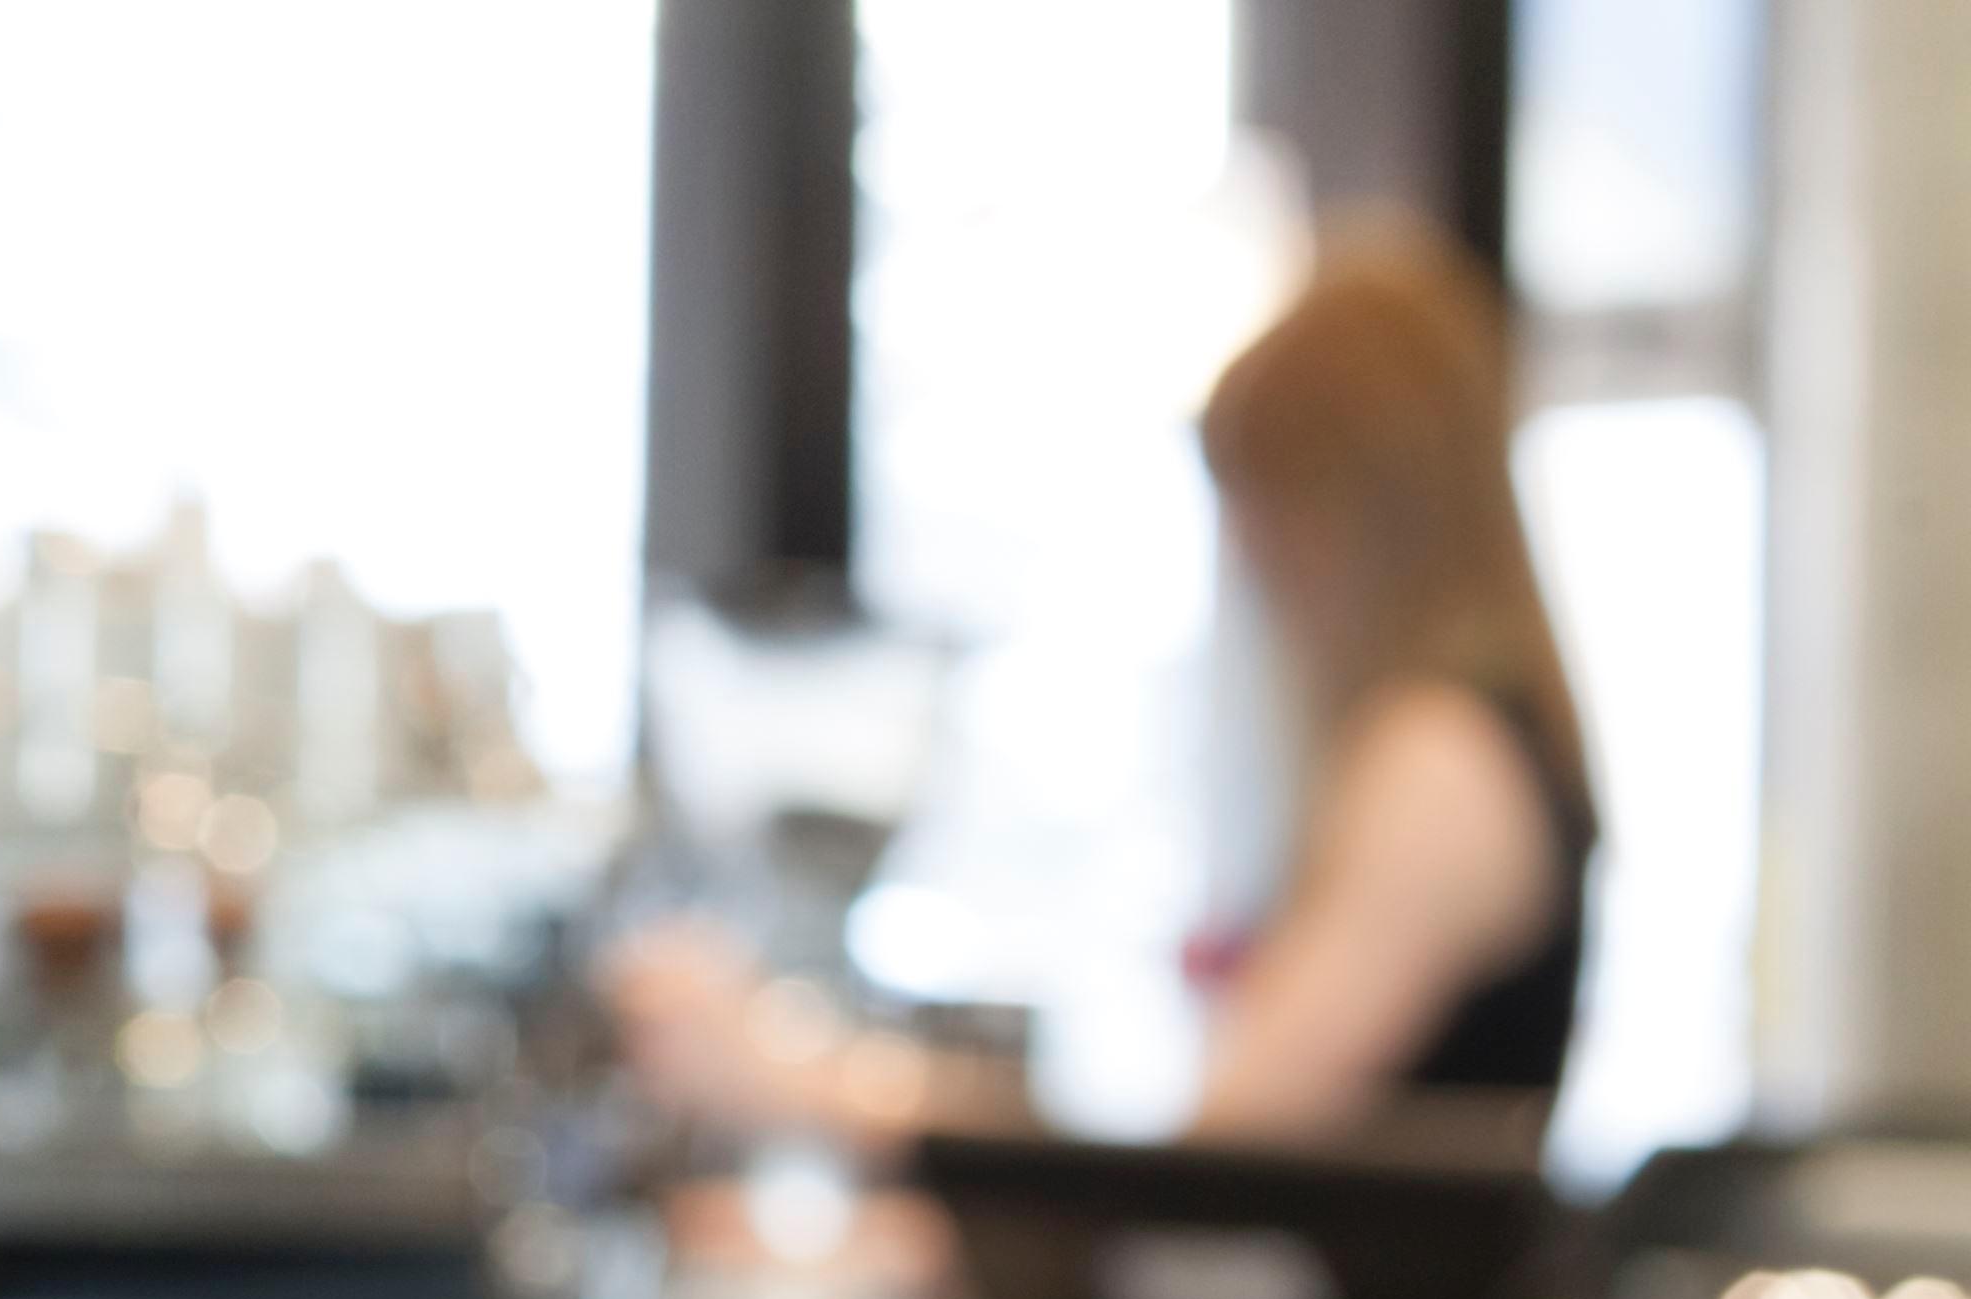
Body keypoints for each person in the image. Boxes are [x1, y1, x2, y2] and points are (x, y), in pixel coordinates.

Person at [618, 217, 1594, 1153]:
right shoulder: (1467, 745)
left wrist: (802, 1087)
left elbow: (1225, 1150)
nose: (1261, 582)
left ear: (1356, 508)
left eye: (1275, 525)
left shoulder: (1440, 765)